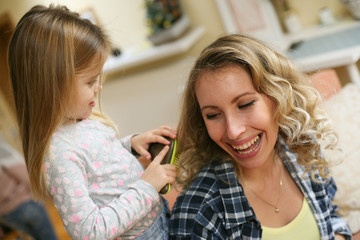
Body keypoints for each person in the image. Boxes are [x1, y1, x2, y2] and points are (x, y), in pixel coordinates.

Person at [8, 4, 177, 240]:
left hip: (158, 219)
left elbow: (99, 160)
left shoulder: (81, 122)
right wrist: (146, 187)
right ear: (52, 87)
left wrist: (132, 143)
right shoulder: (60, 155)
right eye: (90, 82)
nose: (99, 87)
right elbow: (89, 231)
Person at [169, 34, 352, 239]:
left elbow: (330, 216)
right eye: (213, 115)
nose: (233, 131)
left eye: (245, 104)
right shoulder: (197, 213)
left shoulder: (302, 150)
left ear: (279, 97)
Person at [0, 134, 58, 240]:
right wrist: (43, 193)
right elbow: (25, 176)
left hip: (6, 214)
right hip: (25, 204)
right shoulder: (2, 150)